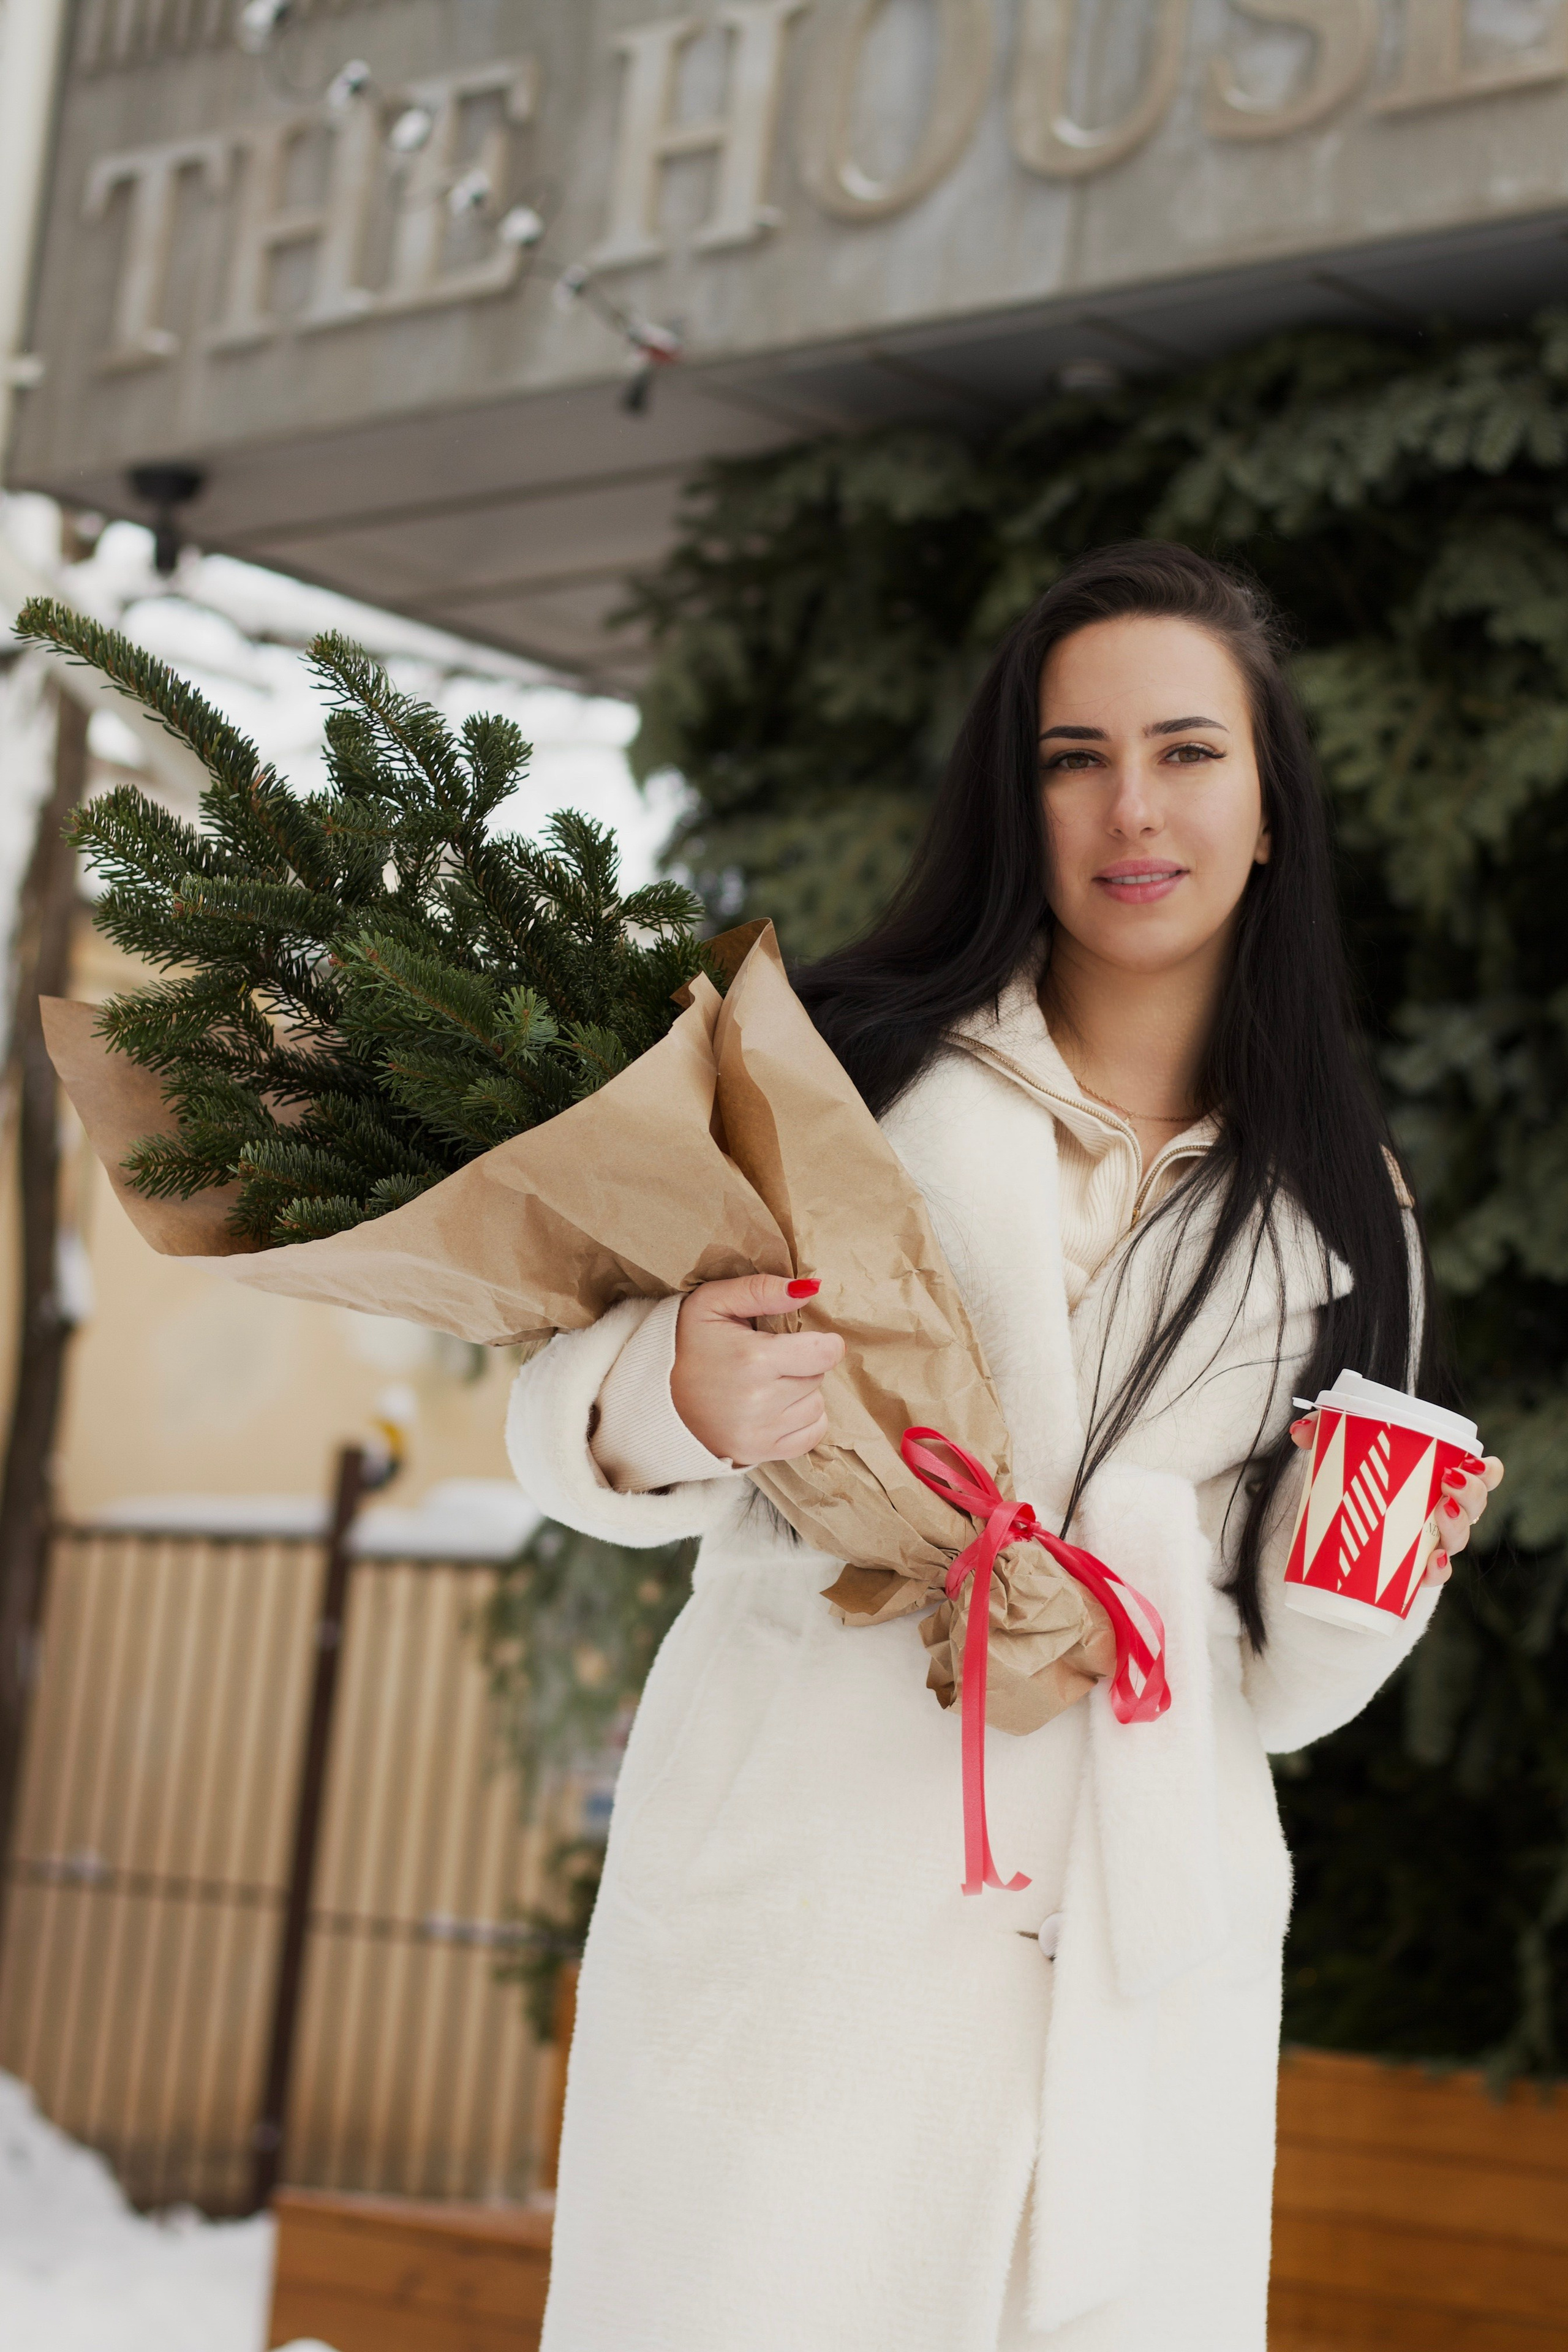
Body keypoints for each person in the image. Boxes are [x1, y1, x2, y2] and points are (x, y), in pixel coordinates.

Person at [507, 542, 1503, 2351]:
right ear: (1015, 796)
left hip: (1131, 1969)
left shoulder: (1354, 1219)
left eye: (1191, 752)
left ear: (1271, 806)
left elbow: (1271, 1696)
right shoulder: (847, 1076)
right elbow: (557, 1393)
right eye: (1075, 756)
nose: (1136, 806)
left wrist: (1362, 1597)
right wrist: (670, 1387)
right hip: (811, 1914)